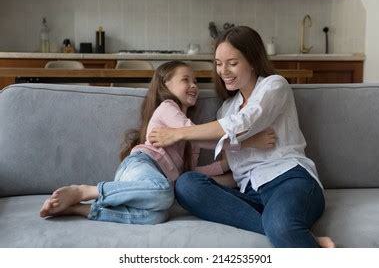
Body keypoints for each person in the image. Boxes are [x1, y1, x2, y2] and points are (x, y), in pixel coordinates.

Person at [148, 26, 335, 248]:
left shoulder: (274, 85)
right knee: (187, 184)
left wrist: (178, 134)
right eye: (218, 63)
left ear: (253, 61)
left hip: (289, 180)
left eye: (232, 63)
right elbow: (223, 142)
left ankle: (286, 230)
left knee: (281, 225)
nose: (223, 70)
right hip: (249, 192)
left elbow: (242, 123)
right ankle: (298, 235)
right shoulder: (226, 108)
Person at [39, 60, 275, 224]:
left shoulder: (189, 135)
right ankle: (85, 190)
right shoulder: (168, 109)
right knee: (163, 193)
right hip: (141, 167)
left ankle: (80, 209)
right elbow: (195, 134)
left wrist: (227, 168)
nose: (194, 85)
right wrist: (248, 142)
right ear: (166, 86)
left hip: (152, 185)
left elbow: (192, 173)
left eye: (195, 81)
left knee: (156, 215)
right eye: (186, 80)